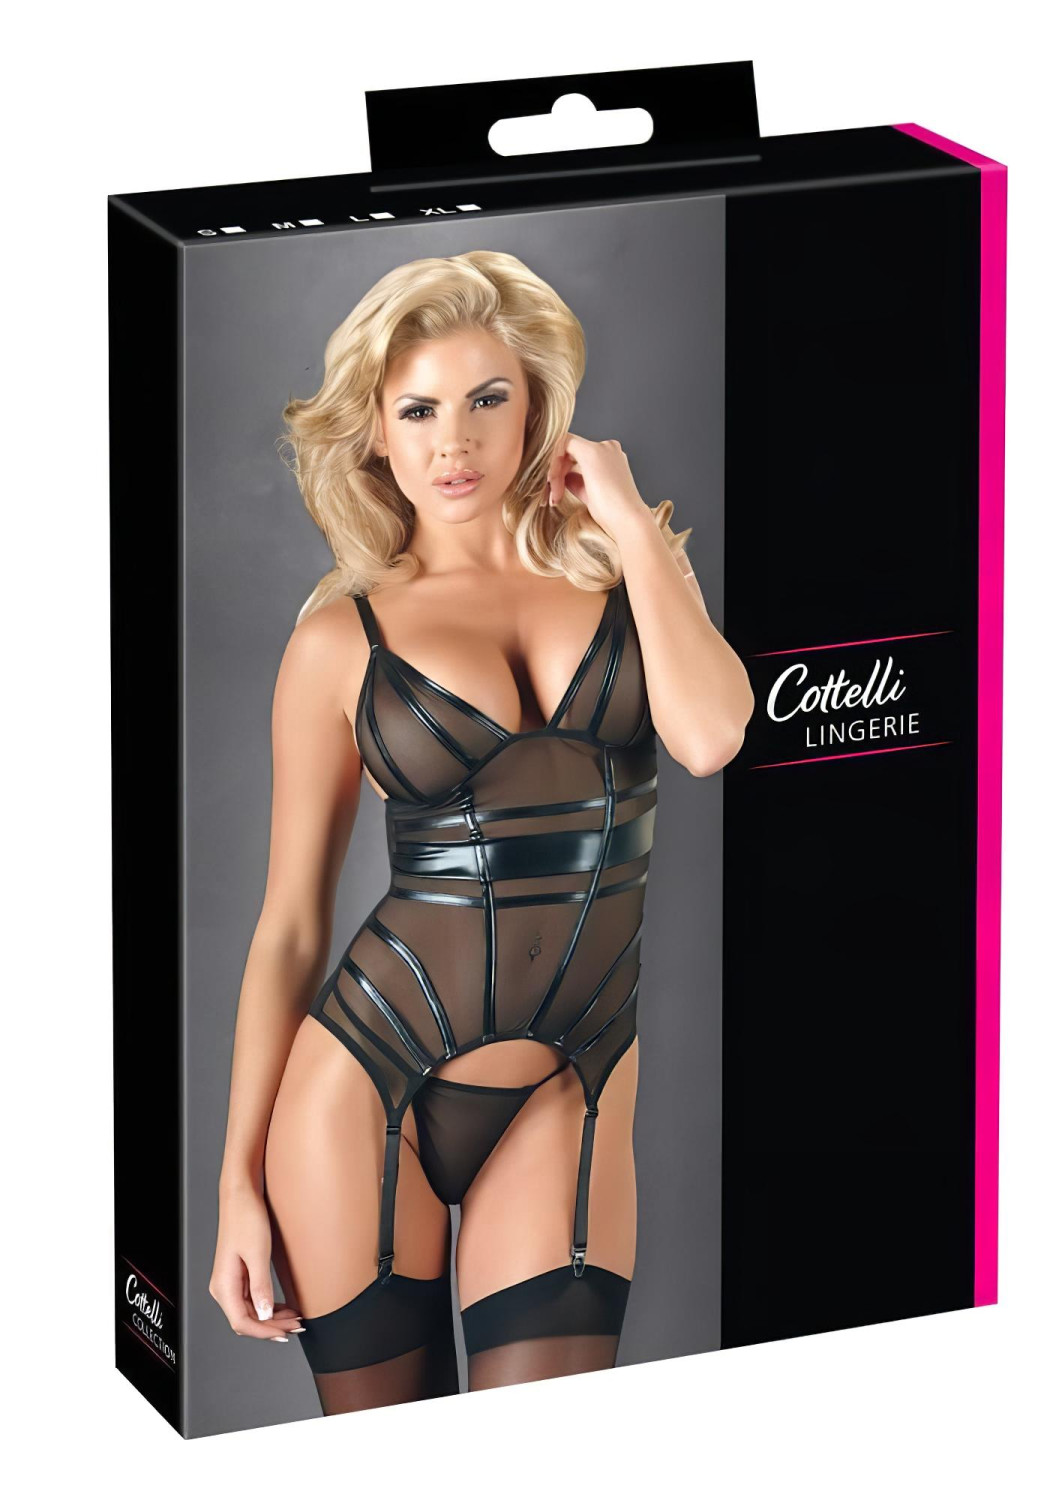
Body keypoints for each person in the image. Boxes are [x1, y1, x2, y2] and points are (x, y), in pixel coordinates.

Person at [208, 250, 754, 1415]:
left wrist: (628, 519)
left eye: (485, 399)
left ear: (535, 407)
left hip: (573, 1080)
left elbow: (710, 737)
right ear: (375, 432)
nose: (452, 442)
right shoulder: (340, 639)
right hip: (365, 1086)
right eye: (418, 410)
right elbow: (290, 925)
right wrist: (234, 1186)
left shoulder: (630, 580)